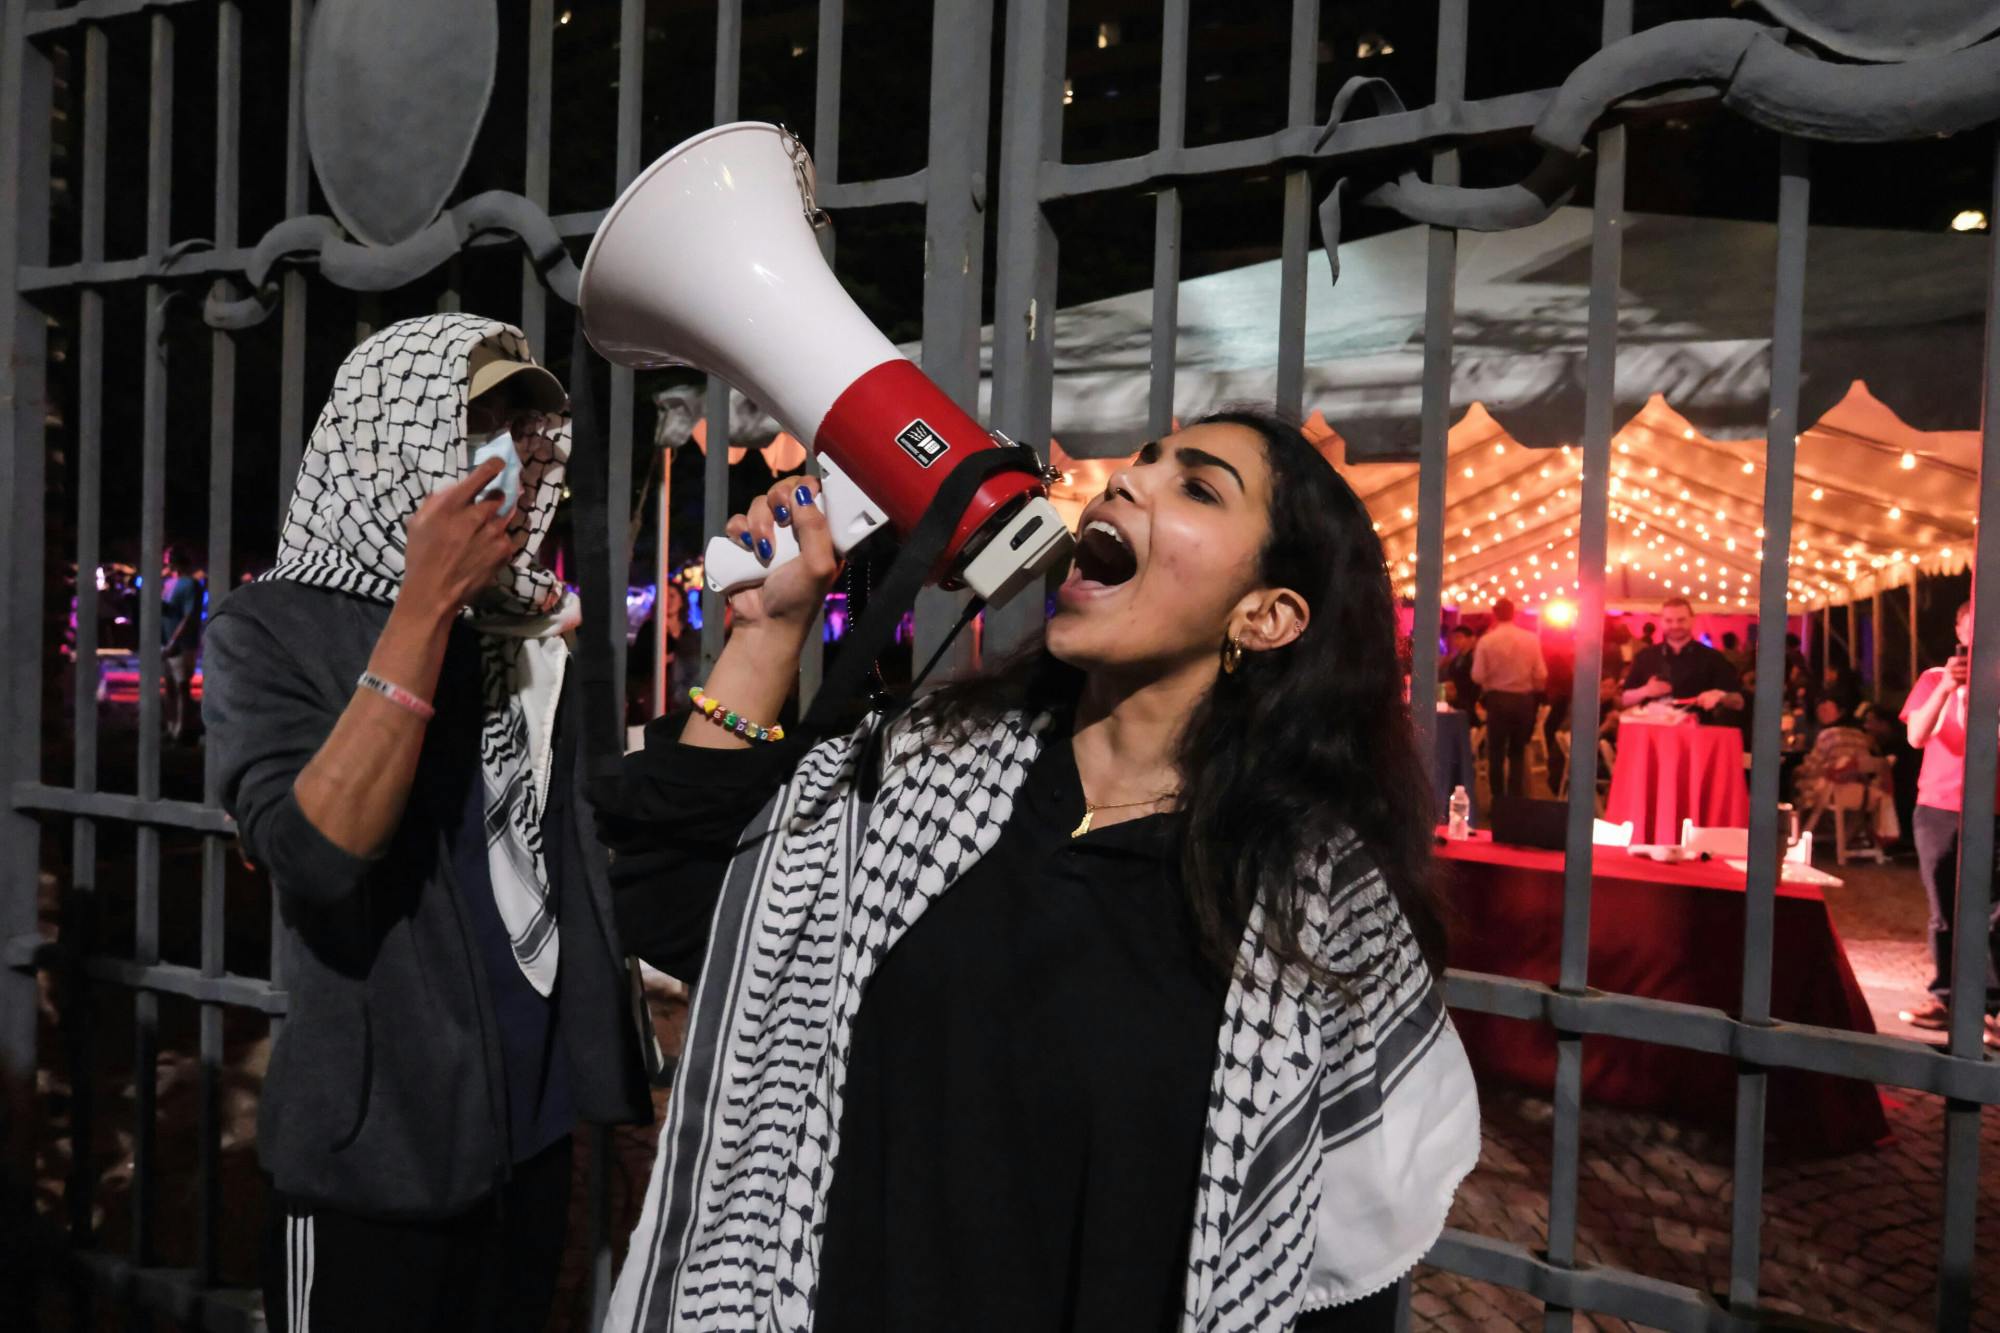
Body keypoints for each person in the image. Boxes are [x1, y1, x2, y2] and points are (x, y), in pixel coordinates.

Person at [597, 409, 1479, 1332]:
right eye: (1143, 460)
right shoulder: (926, 776)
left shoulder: (1320, 914)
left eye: (1197, 487)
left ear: (1267, 616)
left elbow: (1334, 1280)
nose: (1126, 479)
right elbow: (677, 908)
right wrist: (767, 632)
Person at [203, 315, 654, 1332]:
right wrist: (423, 606)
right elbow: (315, 853)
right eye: (473, 425)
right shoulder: (270, 626)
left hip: (532, 1138)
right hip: (376, 1161)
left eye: (518, 427)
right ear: (386, 438)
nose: (503, 457)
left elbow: (588, 839)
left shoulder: (528, 626)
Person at [1897, 600, 2000, 1041]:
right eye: (1971, 625)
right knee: (1945, 909)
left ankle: (1992, 1007)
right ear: (1959, 631)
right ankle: (1946, 998)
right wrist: (1946, 689)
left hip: (1994, 806)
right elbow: (1916, 736)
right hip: (1940, 805)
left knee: (1994, 912)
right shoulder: (1934, 678)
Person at [1620, 597, 1745, 725]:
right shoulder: (1645, 656)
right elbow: (1624, 700)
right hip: (1652, 731)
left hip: (1697, 731)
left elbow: (1739, 701)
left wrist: (1720, 696)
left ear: (1692, 620)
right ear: (1661, 622)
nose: (1675, 626)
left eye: (1681, 620)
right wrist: (1645, 691)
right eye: (1669, 620)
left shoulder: (1713, 657)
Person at [1471, 597, 1546, 802]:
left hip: (1497, 700)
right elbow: (1541, 674)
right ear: (1515, 614)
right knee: (1518, 752)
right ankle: (1515, 800)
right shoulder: (1531, 639)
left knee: (1495, 752)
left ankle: (1498, 800)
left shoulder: (1487, 641)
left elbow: (1477, 675)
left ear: (1494, 615)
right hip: (1523, 701)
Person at [160, 545, 205, 743]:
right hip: (165, 640)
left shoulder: (190, 584)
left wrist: (174, 641)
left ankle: (182, 728)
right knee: (169, 686)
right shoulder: (168, 583)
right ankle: (171, 726)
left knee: (181, 686)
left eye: (168, 557)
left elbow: (189, 616)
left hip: (182, 643)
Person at [1444, 622, 1480, 713]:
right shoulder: (1456, 658)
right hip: (1457, 701)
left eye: (1459, 637)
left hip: (1471, 702)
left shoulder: (1474, 657)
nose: (1456, 641)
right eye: (1454, 638)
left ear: (1471, 639)